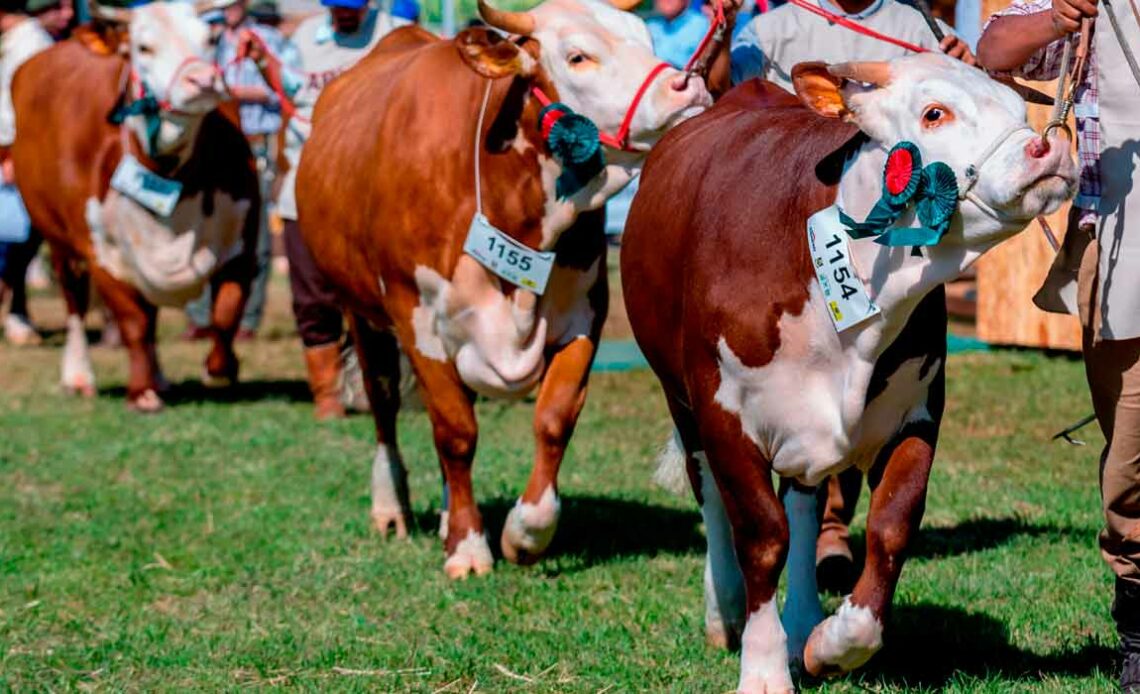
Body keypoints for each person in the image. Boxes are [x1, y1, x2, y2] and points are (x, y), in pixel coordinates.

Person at [726, 0, 974, 593]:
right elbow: (737, 122)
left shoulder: (915, 28)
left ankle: (835, 524)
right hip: (790, 248)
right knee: (807, 386)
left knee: (875, 382)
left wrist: (961, 68)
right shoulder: (768, 32)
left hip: (890, 249)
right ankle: (814, 527)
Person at [979, 1, 1140, 689]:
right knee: (1132, 445)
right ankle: (1138, 615)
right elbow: (996, 51)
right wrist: (1059, 16)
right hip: (1121, 238)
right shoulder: (1092, 8)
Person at [271, 0, 407, 419]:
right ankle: (326, 391)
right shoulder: (303, 40)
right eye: (336, 6)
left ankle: (381, 385)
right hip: (309, 185)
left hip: (379, 193)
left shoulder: (399, 37)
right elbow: (287, 96)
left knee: (382, 297)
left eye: (352, 6)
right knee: (312, 295)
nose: (344, 14)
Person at [183, 0, 296, 342]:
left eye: (230, 3)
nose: (225, 9)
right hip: (209, 148)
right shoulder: (204, 39)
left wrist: (230, 92)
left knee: (256, 239)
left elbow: (285, 87)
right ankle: (202, 317)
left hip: (254, 146)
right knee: (199, 234)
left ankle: (246, 319)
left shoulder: (268, 40)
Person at [730, 0, 974, 89]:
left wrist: (968, 72)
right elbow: (717, 92)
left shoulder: (921, 29)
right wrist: (725, 25)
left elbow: (973, 88)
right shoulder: (768, 30)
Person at [0, 0, 60, 346]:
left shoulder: (31, 45)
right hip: (12, 150)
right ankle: (16, 313)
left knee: (14, 241)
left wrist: (13, 153)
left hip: (17, 152)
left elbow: (26, 106)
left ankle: (17, 312)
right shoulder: (17, 42)